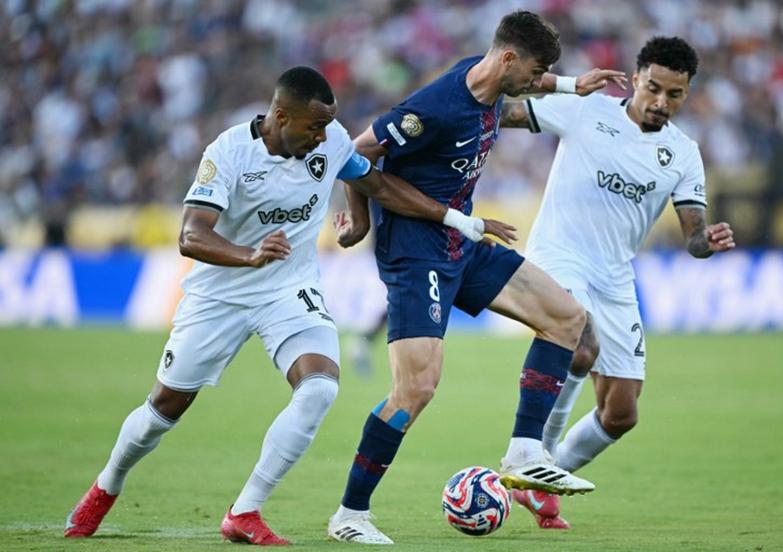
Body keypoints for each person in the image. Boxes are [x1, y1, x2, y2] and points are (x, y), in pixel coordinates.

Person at [63, 66, 514, 545]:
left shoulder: (331, 142)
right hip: (220, 293)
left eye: (327, 126)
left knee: (319, 389)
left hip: (289, 289)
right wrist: (249, 255)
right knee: (164, 408)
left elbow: (376, 185)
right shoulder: (228, 152)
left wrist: (455, 220)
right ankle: (107, 484)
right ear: (281, 116)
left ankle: (245, 511)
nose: (323, 137)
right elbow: (190, 236)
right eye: (314, 127)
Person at [326, 11, 626, 545]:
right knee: (415, 389)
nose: (537, 80)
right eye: (535, 71)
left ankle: (525, 452)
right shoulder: (435, 107)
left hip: (460, 242)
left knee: (568, 319)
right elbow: (357, 153)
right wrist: (361, 220)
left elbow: (509, 106)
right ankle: (350, 514)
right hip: (416, 252)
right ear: (509, 59)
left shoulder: (485, 82)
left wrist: (568, 85)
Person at [499, 36, 736, 529]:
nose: (661, 102)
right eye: (654, 88)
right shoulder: (586, 110)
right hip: (558, 256)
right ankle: (532, 457)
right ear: (635, 79)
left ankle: (541, 482)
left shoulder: (683, 153)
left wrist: (707, 241)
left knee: (621, 413)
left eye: (675, 94)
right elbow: (504, 112)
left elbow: (693, 236)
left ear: (687, 93)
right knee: (579, 344)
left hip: (614, 278)